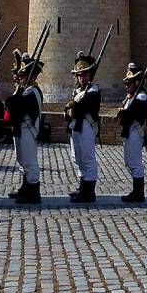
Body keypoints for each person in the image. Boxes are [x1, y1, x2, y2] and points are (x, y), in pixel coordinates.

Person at [6, 50, 44, 204]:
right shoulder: (23, 90)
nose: (20, 78)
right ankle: (25, 187)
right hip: (20, 128)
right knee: (22, 159)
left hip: (29, 129)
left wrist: (13, 99)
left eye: (23, 76)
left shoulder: (33, 91)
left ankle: (33, 191)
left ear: (32, 76)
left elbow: (14, 104)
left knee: (29, 160)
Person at [65, 51, 101, 203]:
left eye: (85, 75)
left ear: (90, 75)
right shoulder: (78, 91)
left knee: (87, 158)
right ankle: (82, 186)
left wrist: (71, 108)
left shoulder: (93, 91)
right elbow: (68, 108)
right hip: (76, 126)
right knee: (77, 157)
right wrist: (71, 108)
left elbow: (79, 109)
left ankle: (89, 191)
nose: (82, 78)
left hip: (86, 126)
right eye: (80, 75)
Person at [117, 63, 147, 203]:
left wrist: (123, 113)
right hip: (130, 131)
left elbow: (130, 114)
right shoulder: (132, 97)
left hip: (136, 131)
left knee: (135, 162)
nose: (127, 86)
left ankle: (138, 192)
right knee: (130, 161)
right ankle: (136, 191)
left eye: (129, 83)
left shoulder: (141, 97)